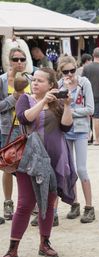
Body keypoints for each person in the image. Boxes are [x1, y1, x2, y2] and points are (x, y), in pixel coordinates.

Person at [0, 67, 77, 257]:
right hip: (29, 160)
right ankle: (13, 248)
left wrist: (67, 105)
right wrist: (44, 101)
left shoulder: (58, 103)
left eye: (40, 81)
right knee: (25, 204)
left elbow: (67, 127)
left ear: (51, 85)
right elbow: (25, 118)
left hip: (53, 160)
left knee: (48, 204)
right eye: (34, 80)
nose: (35, 83)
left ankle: (45, 242)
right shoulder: (25, 99)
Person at [57, 55, 96, 223]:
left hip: (80, 130)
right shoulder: (59, 85)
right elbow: (57, 108)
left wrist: (72, 111)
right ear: (61, 71)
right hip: (65, 130)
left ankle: (89, 207)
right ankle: (74, 203)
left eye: (72, 70)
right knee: (69, 168)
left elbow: (90, 109)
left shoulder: (84, 83)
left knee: (81, 168)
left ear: (76, 68)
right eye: (66, 71)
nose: (70, 74)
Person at [0, 48, 32, 224]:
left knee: (27, 168)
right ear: (9, 60)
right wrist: (13, 98)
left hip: (28, 129)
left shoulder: (31, 79)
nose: (19, 62)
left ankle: (26, 204)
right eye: (15, 59)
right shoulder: (2, 81)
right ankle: (8, 202)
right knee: (8, 166)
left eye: (22, 59)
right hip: (8, 130)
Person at [82, 47, 99, 146]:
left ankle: (88, 137)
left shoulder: (86, 68)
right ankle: (97, 140)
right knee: (97, 117)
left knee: (87, 116)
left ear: (93, 55)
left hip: (87, 95)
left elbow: (82, 82)